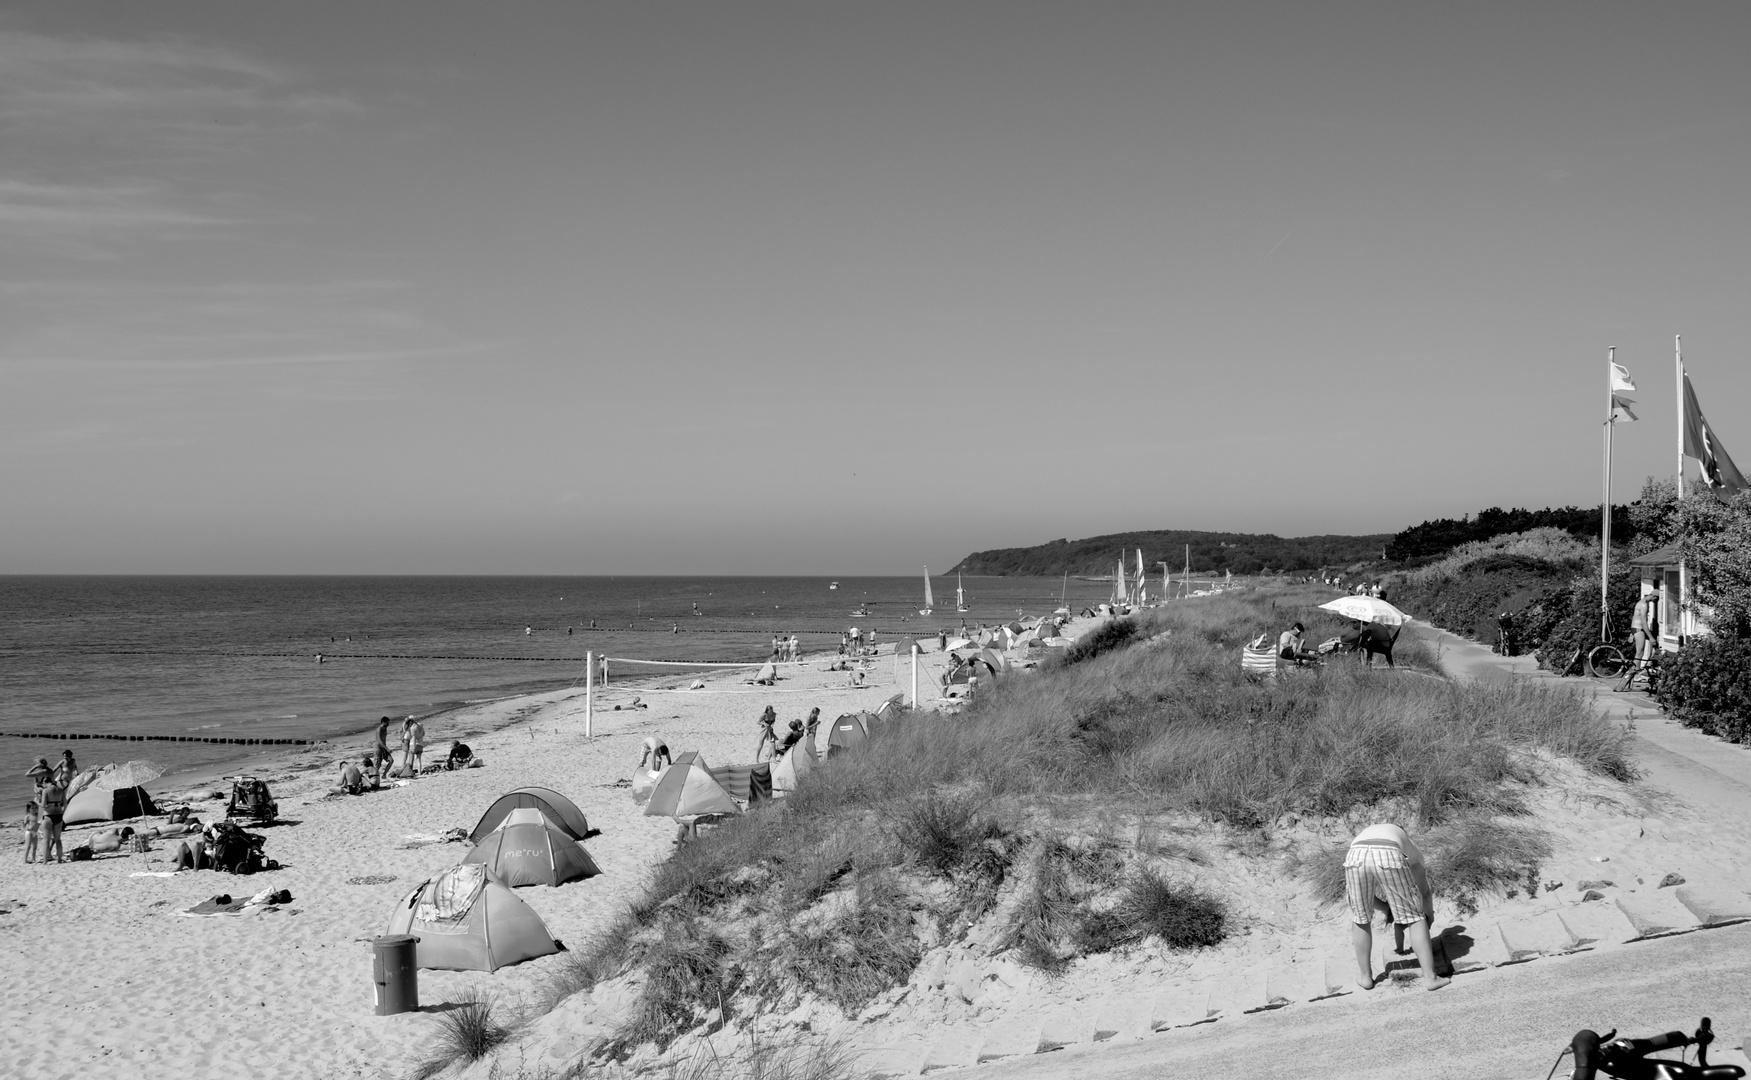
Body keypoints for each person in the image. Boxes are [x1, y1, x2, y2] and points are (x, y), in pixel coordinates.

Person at [1344, 823, 1449, 991]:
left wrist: (1386, 907)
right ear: (1404, 833)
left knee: (1360, 917)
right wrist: (1429, 914)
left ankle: (1365, 978)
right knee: (1414, 917)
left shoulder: (1368, 832)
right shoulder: (1410, 847)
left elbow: (1365, 896)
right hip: (1388, 851)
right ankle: (1431, 978)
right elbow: (1425, 892)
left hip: (1355, 852)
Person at [38, 777, 67, 864]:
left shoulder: (45, 791)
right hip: (58, 815)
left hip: (48, 816)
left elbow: (43, 805)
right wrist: (62, 811)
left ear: (45, 782)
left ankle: (45, 861)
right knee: (58, 839)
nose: (43, 786)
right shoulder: (60, 790)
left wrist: (36, 802)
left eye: (42, 784)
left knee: (46, 840)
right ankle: (59, 860)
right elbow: (65, 803)